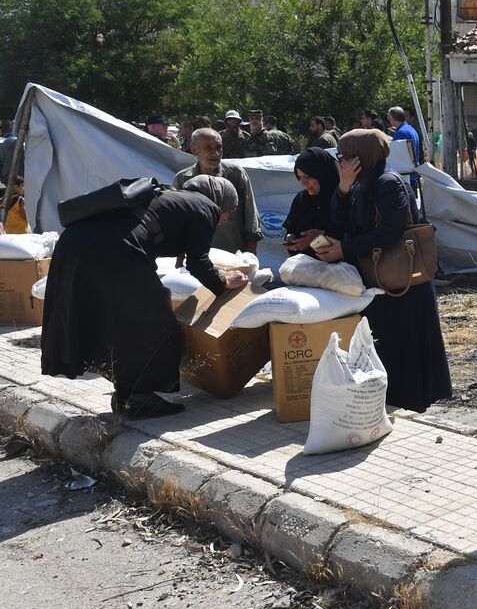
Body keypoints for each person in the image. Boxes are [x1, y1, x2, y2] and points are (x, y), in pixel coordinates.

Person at [41, 175, 249, 418]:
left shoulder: (168, 197)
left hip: (73, 243)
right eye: (230, 211)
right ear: (222, 202)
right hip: (111, 248)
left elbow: (143, 238)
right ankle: (140, 399)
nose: (226, 219)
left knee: (115, 321)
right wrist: (224, 283)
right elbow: (198, 262)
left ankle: (126, 395)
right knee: (154, 323)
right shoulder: (206, 207)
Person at [314, 129, 451, 412]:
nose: (340, 162)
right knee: (386, 342)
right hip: (380, 279)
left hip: (403, 281)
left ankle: (409, 402)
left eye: (344, 156)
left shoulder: (387, 183)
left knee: (405, 344)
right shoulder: (359, 184)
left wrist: (345, 248)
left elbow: (390, 231)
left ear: (361, 157)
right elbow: (339, 222)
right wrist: (343, 187)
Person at [173, 128, 262, 252]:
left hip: (233, 252)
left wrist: (251, 250)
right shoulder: (182, 179)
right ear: (194, 149)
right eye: (208, 148)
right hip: (197, 254)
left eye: (219, 147)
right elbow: (176, 220)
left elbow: (250, 212)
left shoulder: (236, 174)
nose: (215, 153)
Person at [283, 147, 342, 256]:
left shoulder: (343, 198)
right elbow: (292, 230)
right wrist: (292, 239)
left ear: (322, 175)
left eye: (308, 177)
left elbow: (348, 235)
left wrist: (320, 237)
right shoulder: (302, 199)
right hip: (305, 264)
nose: (303, 183)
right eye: (299, 177)